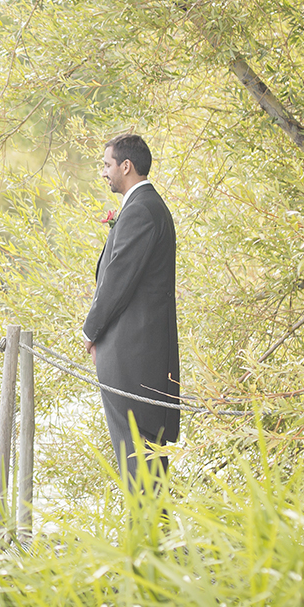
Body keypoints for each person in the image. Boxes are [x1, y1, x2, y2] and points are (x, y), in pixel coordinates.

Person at [82, 133, 180, 489]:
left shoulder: (141, 211)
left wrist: (90, 332)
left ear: (126, 166)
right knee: (142, 455)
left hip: (133, 357)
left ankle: (148, 538)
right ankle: (153, 538)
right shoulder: (147, 207)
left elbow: (117, 280)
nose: (104, 173)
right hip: (141, 355)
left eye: (107, 165)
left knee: (136, 453)